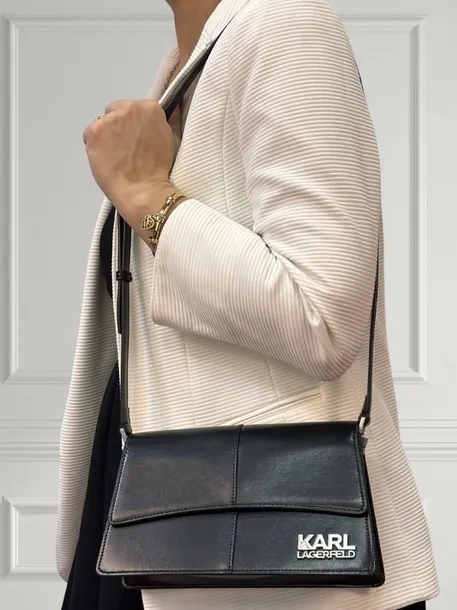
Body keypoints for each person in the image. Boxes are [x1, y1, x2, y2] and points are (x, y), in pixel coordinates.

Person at [57, 0, 439, 609]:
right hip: (158, 521)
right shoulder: (190, 64)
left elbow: (321, 318)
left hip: (266, 568)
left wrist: (149, 197)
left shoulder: (286, 24)